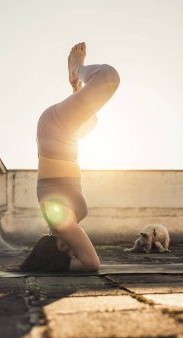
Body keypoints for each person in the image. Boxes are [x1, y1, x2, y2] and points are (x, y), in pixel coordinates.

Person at [21, 42, 120, 273]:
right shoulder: (67, 224)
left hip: (53, 133)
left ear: (53, 248)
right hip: (66, 142)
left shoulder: (61, 222)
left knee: (108, 77)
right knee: (92, 122)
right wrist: (65, 261)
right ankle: (75, 86)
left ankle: (77, 69)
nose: (72, 250)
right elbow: (84, 259)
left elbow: (92, 264)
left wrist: (66, 263)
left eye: (64, 248)